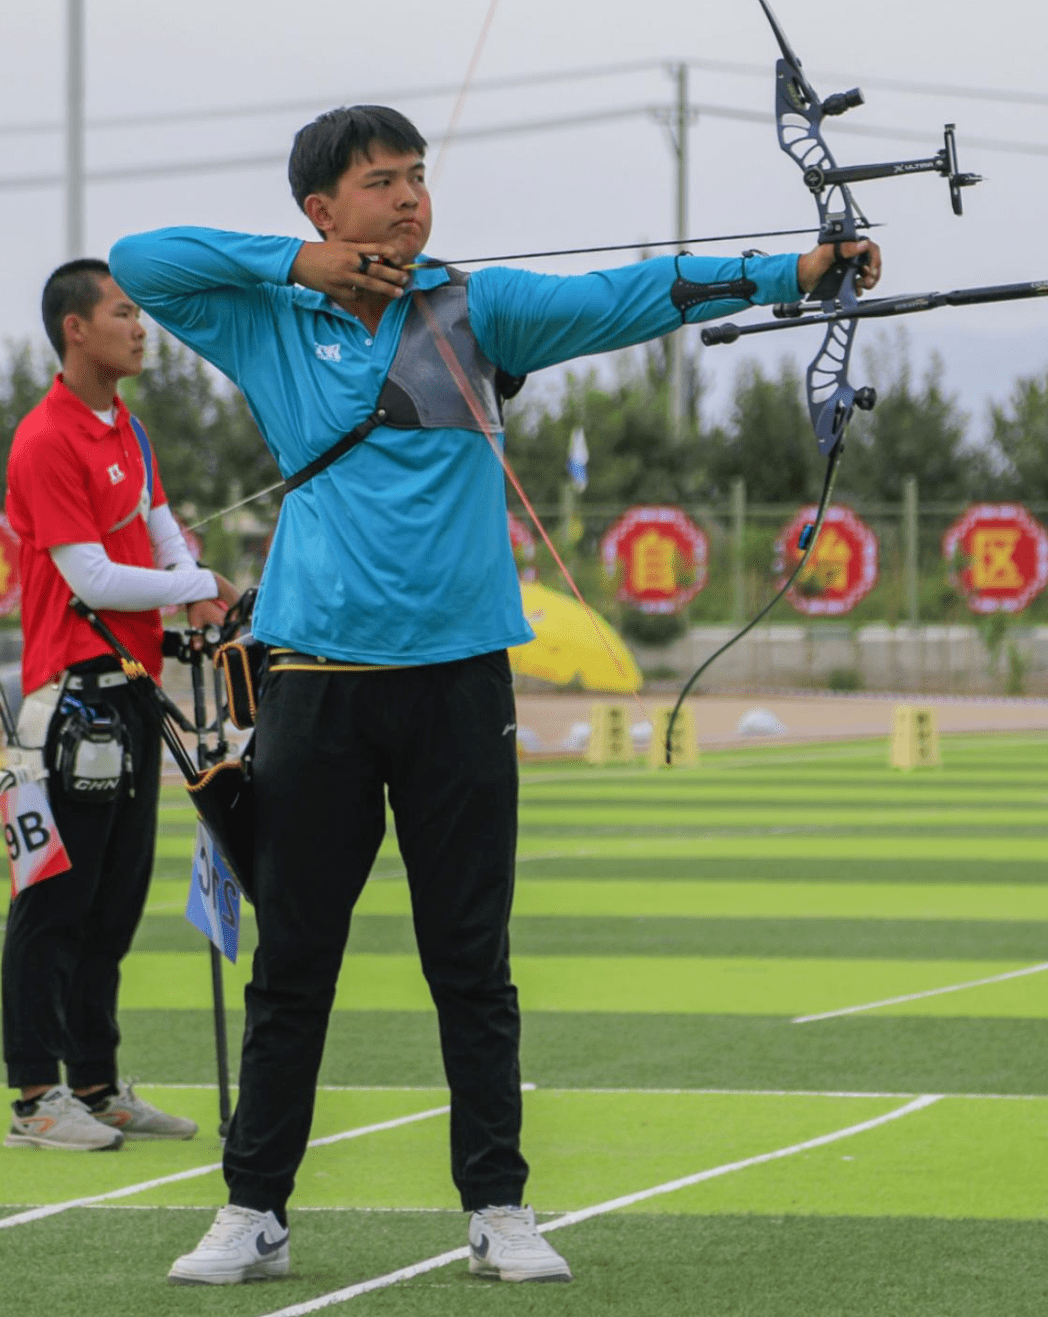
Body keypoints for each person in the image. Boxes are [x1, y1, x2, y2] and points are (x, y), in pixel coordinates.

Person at [110, 105, 882, 1285]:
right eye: (383, 182)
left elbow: (637, 293)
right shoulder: (267, 313)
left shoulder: (475, 309)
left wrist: (795, 267)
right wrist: (300, 265)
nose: (413, 198)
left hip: (462, 679)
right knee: (294, 959)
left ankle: (498, 1206)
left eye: (421, 177)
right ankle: (254, 1209)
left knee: (469, 955)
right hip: (315, 679)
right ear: (324, 208)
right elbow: (139, 260)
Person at [2, 259, 239, 1151]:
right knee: (54, 905)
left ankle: (95, 1084)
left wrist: (199, 591)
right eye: (123, 312)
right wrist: (191, 581)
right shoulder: (44, 438)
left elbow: (161, 525)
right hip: (72, 707)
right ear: (75, 328)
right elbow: (91, 577)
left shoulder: (128, 429)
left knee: (115, 903)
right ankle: (34, 1096)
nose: (141, 328)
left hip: (135, 699)